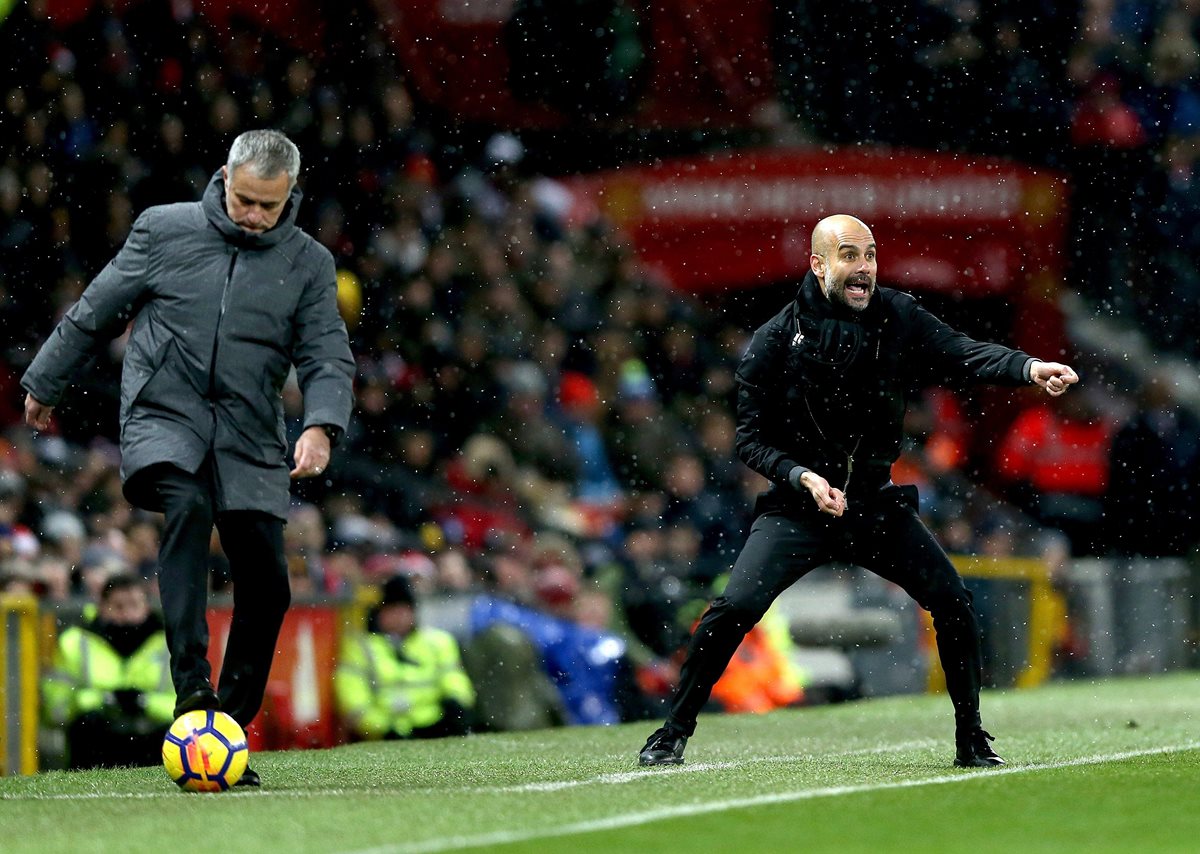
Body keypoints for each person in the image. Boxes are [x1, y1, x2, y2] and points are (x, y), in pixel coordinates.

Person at [637, 214, 1079, 769]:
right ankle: (671, 732)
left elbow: (962, 351)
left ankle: (971, 737)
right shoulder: (773, 341)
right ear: (818, 264)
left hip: (873, 505)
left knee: (953, 601)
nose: (864, 268)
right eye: (849, 256)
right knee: (733, 608)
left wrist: (1029, 367)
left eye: (870, 255)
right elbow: (749, 441)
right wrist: (801, 475)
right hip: (799, 508)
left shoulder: (896, 314)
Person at [22, 129, 355, 786]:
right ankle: (193, 696)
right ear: (224, 176)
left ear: (291, 194)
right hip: (163, 413)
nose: (254, 216)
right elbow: (97, 308)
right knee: (188, 507)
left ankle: (221, 731)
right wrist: (44, 379)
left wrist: (320, 427)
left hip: (250, 430)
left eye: (269, 205)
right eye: (245, 200)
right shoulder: (162, 231)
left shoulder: (309, 263)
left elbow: (326, 354)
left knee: (268, 580)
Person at [42, 574, 175, 769]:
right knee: (86, 726)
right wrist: (103, 700)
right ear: (102, 607)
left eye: (134, 605)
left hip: (153, 740)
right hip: (95, 742)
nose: (128, 614)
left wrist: (145, 703)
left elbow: (183, 707)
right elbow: (55, 709)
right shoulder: (74, 643)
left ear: (146, 607)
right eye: (119, 607)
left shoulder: (168, 645)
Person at [334, 574, 475, 740]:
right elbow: (353, 699)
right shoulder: (360, 647)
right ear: (380, 613)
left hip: (435, 726)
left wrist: (456, 703)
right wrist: (383, 729)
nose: (400, 616)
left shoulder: (439, 642)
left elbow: (455, 679)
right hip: (386, 734)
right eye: (393, 610)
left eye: (405, 609)